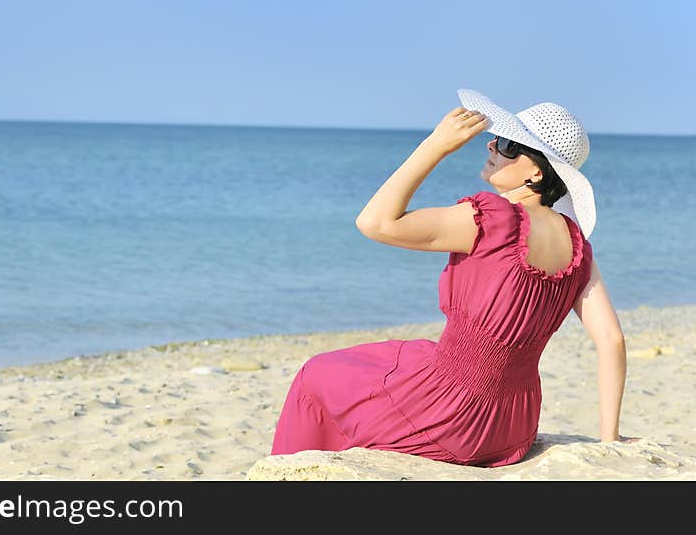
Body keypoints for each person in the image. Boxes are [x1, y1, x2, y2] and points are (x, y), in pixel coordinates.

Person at [270, 88, 632, 467]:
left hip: (449, 414)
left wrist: (435, 146)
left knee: (315, 377)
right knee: (398, 356)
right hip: (513, 427)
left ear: (537, 172)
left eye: (509, 145)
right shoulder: (578, 245)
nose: (492, 145)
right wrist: (610, 438)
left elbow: (374, 222)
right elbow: (612, 339)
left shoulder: (492, 219)